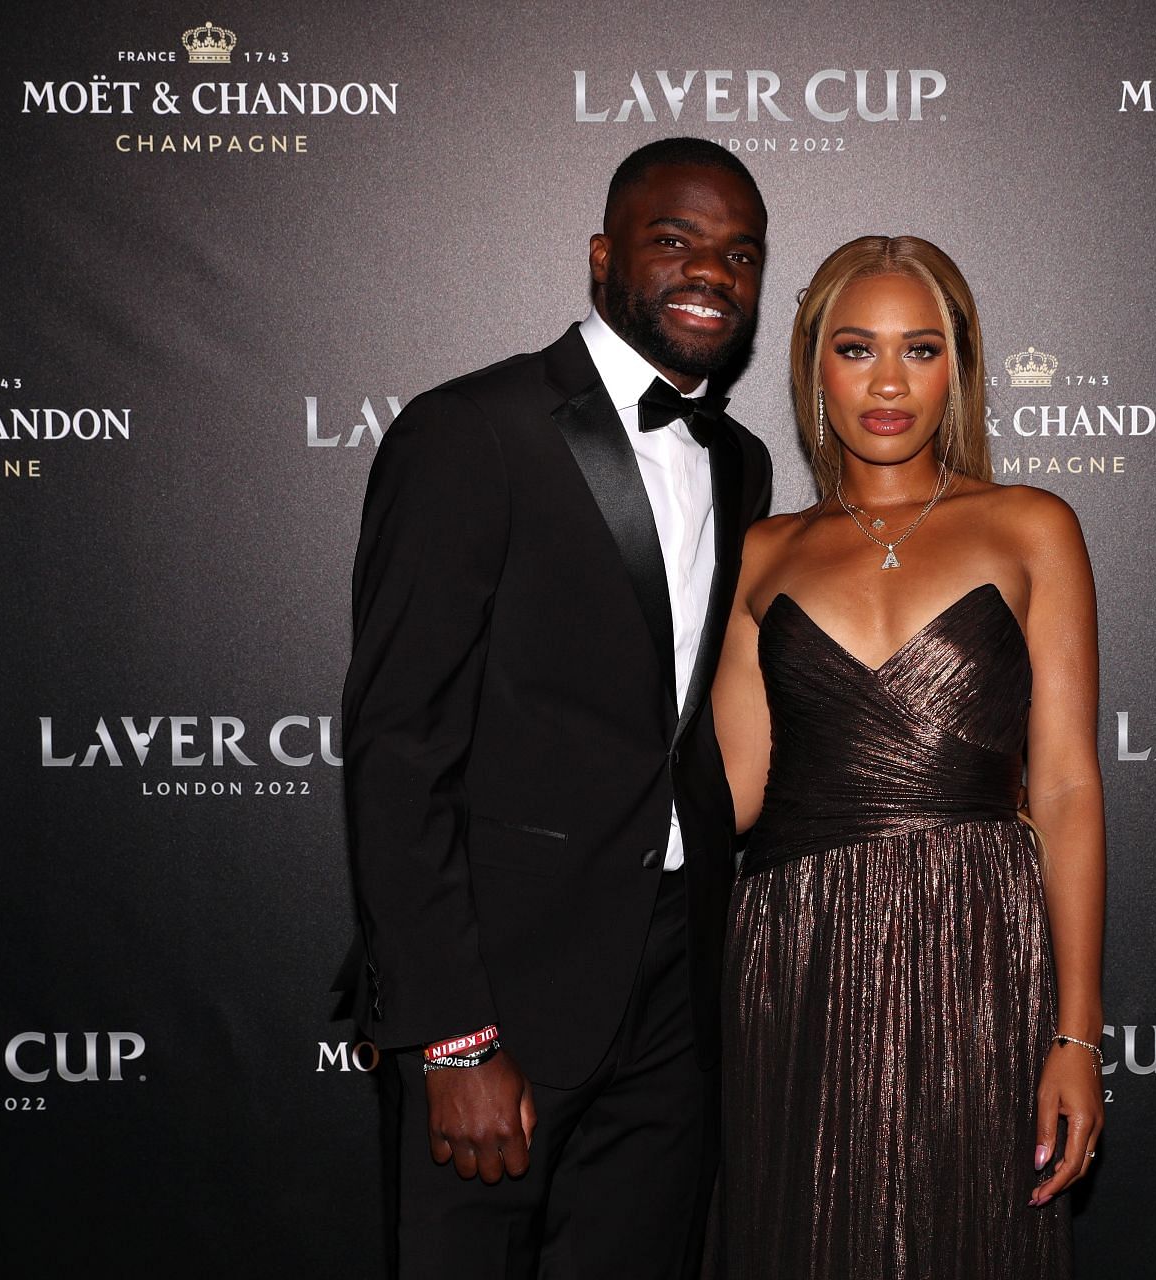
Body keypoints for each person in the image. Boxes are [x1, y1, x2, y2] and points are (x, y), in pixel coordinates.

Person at [335, 137, 773, 1278]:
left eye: (739, 254)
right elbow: (397, 747)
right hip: (502, 995)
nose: (710, 272)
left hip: (679, 995)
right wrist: (453, 1033)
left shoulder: (742, 463)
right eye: (674, 240)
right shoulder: (470, 430)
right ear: (602, 256)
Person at [709, 236, 1106, 1277]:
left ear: (959, 367)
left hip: (980, 938)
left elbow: (1063, 787)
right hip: (796, 947)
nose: (888, 381)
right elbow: (728, 794)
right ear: (812, 366)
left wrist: (1076, 1034)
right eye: (856, 348)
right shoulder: (761, 550)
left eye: (921, 349)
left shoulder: (1029, 527)